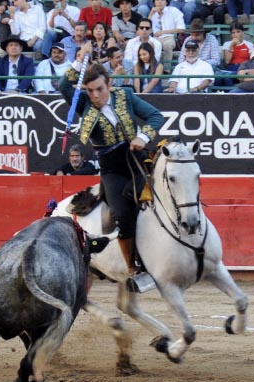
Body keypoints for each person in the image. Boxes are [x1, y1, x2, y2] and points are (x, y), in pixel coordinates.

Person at [60, 47, 164, 277]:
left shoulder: (125, 96)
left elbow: (156, 116)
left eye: (99, 89)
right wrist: (78, 62)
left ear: (109, 83)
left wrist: (142, 137)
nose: (95, 95)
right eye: (90, 91)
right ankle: (132, 266)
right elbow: (63, 86)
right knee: (121, 214)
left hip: (137, 160)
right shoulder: (83, 104)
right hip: (112, 169)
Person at [149, 0, 186, 72]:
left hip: (170, 37)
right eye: (157, 0)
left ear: (166, 2)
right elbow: (146, 27)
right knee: (150, 45)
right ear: (154, 2)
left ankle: (166, 70)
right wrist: (150, 14)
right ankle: (153, 69)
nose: (160, 2)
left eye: (162, 0)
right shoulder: (153, 13)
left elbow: (182, 29)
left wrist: (163, 32)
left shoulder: (174, 11)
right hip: (155, 38)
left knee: (168, 45)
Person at [217, 21, 253, 87]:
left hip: (243, 68)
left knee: (227, 77)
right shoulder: (227, 44)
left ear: (243, 32)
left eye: (238, 32)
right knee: (218, 77)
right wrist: (232, 46)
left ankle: (230, 96)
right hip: (231, 68)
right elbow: (227, 62)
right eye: (233, 33)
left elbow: (251, 61)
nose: (236, 35)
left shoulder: (249, 45)